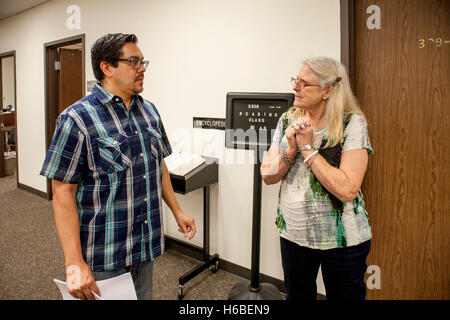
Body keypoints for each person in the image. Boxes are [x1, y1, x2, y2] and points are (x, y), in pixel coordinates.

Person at [40, 33, 196, 300]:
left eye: (143, 61)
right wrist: (74, 262)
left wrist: (177, 209)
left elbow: (158, 165)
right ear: (107, 68)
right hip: (104, 253)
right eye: (134, 62)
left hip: (144, 245)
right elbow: (62, 192)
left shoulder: (150, 112)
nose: (142, 68)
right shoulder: (77, 118)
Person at [261, 57, 373, 300]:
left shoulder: (351, 123)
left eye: (304, 83)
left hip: (343, 241)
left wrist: (307, 148)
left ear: (328, 90)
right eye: (295, 80)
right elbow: (267, 175)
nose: (295, 87)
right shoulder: (288, 119)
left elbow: (347, 190)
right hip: (294, 234)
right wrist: (290, 149)